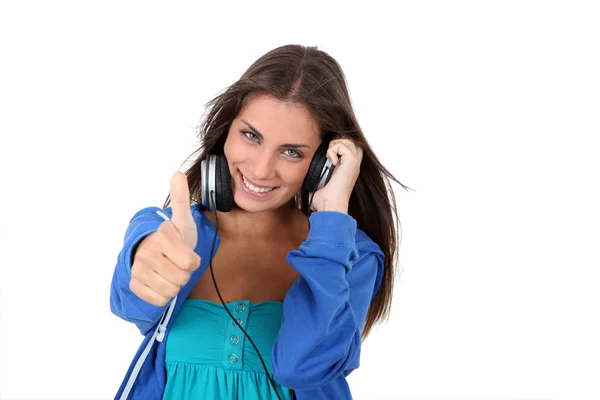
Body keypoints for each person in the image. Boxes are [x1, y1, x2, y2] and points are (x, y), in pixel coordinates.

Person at [110, 44, 408, 400]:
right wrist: (145, 261)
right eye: (251, 136)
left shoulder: (350, 257)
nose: (261, 169)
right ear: (226, 130)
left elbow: (302, 367)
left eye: (292, 152)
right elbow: (131, 303)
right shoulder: (167, 231)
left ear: (321, 166)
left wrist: (332, 217)